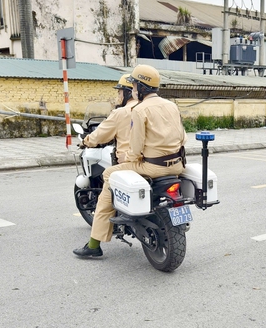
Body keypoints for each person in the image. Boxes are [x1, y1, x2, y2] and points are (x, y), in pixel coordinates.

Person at [73, 65, 187, 258]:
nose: (133, 89)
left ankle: (94, 244)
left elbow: (135, 145)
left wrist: (131, 159)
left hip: (151, 166)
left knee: (110, 174)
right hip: (177, 164)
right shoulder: (171, 106)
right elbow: (183, 137)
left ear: (140, 87)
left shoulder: (138, 110)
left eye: (134, 85)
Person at [74, 75, 138, 257]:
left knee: (105, 198)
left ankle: (94, 245)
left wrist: (86, 141)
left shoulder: (121, 113)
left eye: (119, 92)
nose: (117, 96)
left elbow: (100, 135)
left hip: (131, 163)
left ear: (128, 92)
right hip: (162, 161)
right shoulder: (154, 108)